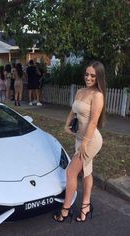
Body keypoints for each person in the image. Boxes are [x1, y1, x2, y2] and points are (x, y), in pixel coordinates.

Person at [53, 61, 106, 223]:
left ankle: (65, 210)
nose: (88, 78)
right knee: (87, 172)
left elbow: (93, 122)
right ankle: (85, 206)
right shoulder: (81, 91)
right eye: (87, 74)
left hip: (90, 140)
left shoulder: (97, 95)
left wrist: (84, 143)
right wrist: (67, 125)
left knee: (71, 172)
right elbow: (73, 110)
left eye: (92, 75)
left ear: (98, 78)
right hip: (80, 139)